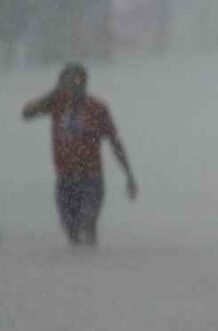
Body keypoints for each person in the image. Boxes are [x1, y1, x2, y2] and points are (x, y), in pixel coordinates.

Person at [22, 62, 137, 245]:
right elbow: (27, 113)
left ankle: (92, 267)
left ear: (85, 82)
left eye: (78, 79)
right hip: (65, 180)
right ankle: (78, 270)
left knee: (88, 224)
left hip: (91, 179)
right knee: (71, 232)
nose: (75, 84)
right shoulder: (57, 104)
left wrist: (129, 175)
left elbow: (115, 142)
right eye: (69, 80)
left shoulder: (97, 108)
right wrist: (53, 92)